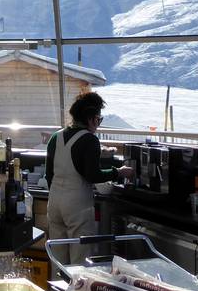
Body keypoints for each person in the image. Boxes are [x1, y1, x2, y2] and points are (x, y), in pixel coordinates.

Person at [45, 92, 133, 265]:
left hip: (54, 202)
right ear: (91, 119)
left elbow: (49, 174)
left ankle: (57, 283)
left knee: (58, 258)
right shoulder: (89, 140)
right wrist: (119, 172)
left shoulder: (56, 137)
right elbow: (93, 175)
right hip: (77, 205)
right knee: (80, 261)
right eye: (99, 120)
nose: (98, 124)